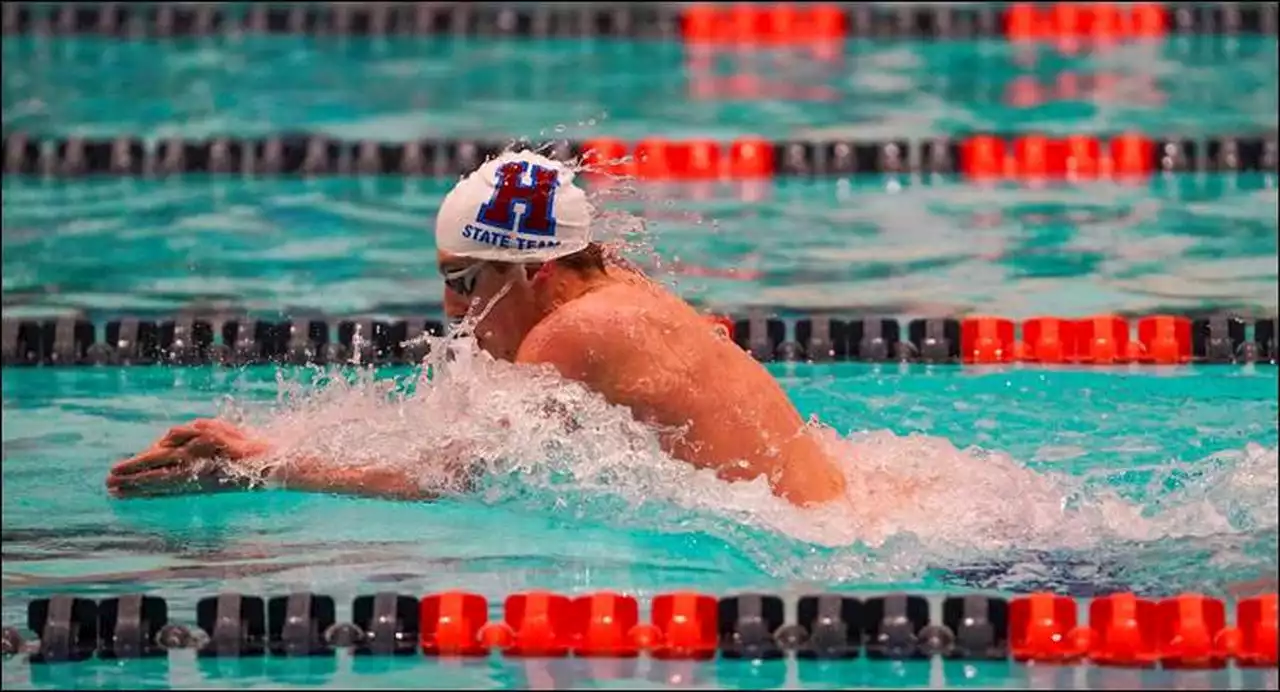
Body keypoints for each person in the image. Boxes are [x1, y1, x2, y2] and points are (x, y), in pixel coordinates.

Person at [106, 151, 850, 508]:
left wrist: (263, 462)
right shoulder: (615, 291)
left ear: (533, 272)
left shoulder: (571, 334)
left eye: (464, 282)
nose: (451, 310)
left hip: (819, 546)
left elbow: (452, 477)